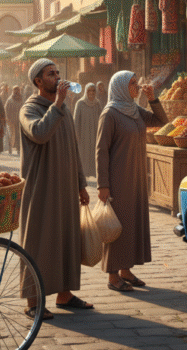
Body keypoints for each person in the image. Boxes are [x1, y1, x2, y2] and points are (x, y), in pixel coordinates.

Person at [19, 59, 93, 317]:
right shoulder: (29, 109)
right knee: (38, 242)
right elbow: (39, 133)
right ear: (38, 81)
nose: (58, 77)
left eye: (58, 73)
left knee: (66, 240)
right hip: (41, 188)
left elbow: (74, 148)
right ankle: (33, 301)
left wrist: (81, 184)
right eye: (51, 74)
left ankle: (65, 293)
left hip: (65, 188)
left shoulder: (65, 109)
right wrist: (59, 104)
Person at [96, 71, 167, 292]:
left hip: (136, 177)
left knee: (132, 225)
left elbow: (161, 121)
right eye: (132, 84)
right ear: (119, 87)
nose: (136, 87)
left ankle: (126, 270)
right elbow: (101, 151)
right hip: (117, 179)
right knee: (117, 227)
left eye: (136, 83)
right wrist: (103, 185)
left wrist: (153, 98)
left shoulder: (134, 110)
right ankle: (112, 275)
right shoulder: (110, 114)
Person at [73, 82, 103, 178]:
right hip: (83, 136)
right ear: (85, 92)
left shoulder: (97, 104)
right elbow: (76, 121)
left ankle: (94, 174)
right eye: (89, 91)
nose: (91, 93)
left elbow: (101, 120)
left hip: (95, 135)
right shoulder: (80, 103)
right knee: (83, 155)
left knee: (94, 155)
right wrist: (76, 136)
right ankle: (83, 177)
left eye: (93, 91)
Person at [5, 85, 23, 156]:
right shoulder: (10, 100)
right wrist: (8, 119)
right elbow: (6, 109)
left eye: (17, 90)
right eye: (15, 90)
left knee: (19, 136)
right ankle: (10, 149)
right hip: (11, 121)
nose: (16, 91)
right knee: (11, 135)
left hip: (19, 121)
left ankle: (19, 149)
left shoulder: (21, 98)